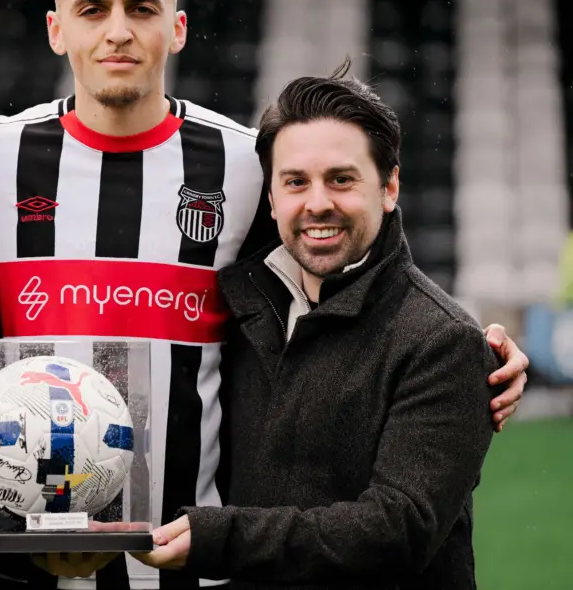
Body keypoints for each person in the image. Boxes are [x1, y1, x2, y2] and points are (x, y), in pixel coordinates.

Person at [0, 0, 528, 590]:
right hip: (20, 562)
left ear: (177, 28)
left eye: (142, 8)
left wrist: (470, 349)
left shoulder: (246, 166)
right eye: (93, 9)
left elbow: (347, 281)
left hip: (197, 564)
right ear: (56, 29)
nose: (118, 31)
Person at [132, 60, 500, 588]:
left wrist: (220, 539)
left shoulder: (444, 341)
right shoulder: (239, 311)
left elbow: (397, 531)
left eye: (341, 180)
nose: (318, 203)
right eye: (296, 182)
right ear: (271, 198)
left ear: (389, 187)